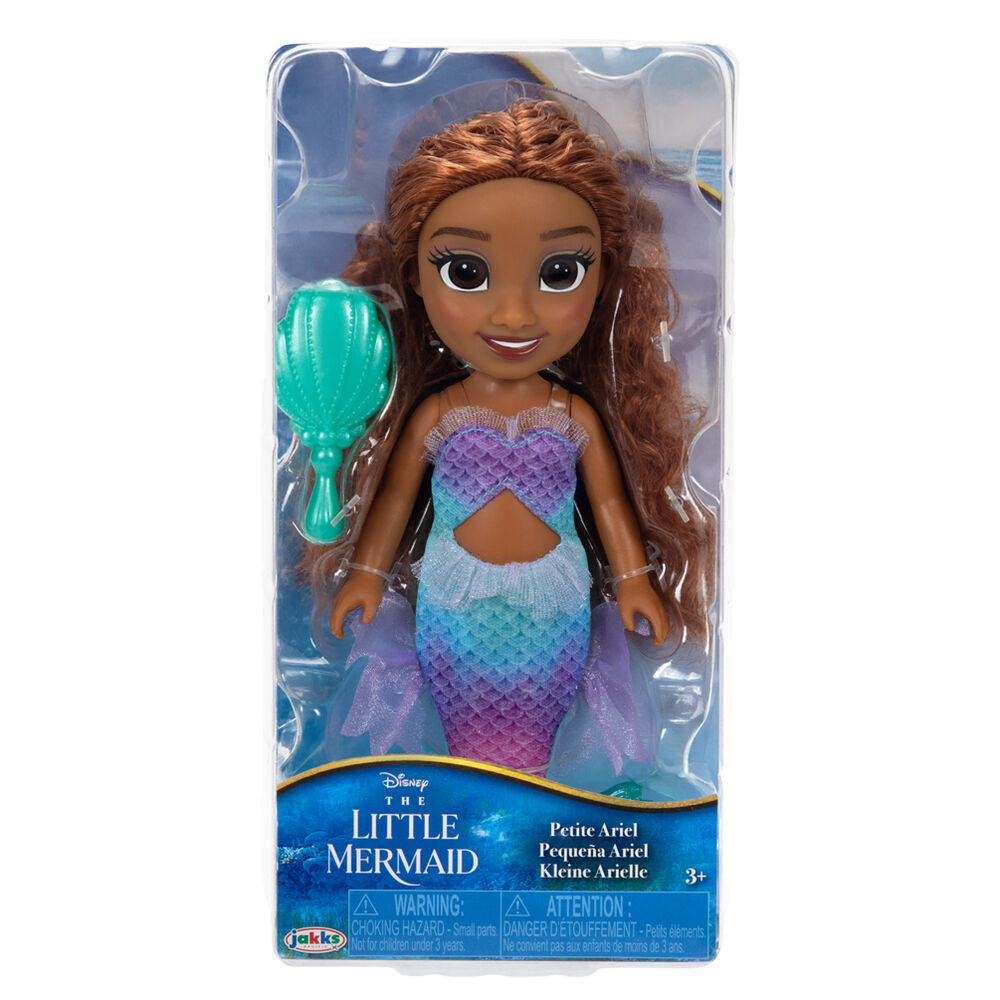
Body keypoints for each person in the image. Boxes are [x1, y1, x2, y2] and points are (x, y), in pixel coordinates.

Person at [308, 99, 713, 775]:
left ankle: (536, 799)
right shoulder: (439, 413)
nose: (516, 313)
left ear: (604, 276)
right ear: (415, 275)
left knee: (535, 734)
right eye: (465, 272)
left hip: (554, 605)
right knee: (463, 727)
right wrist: (369, 573)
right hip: (452, 602)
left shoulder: (572, 415)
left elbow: (610, 504)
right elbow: (395, 498)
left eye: (561, 273)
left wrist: (636, 581)